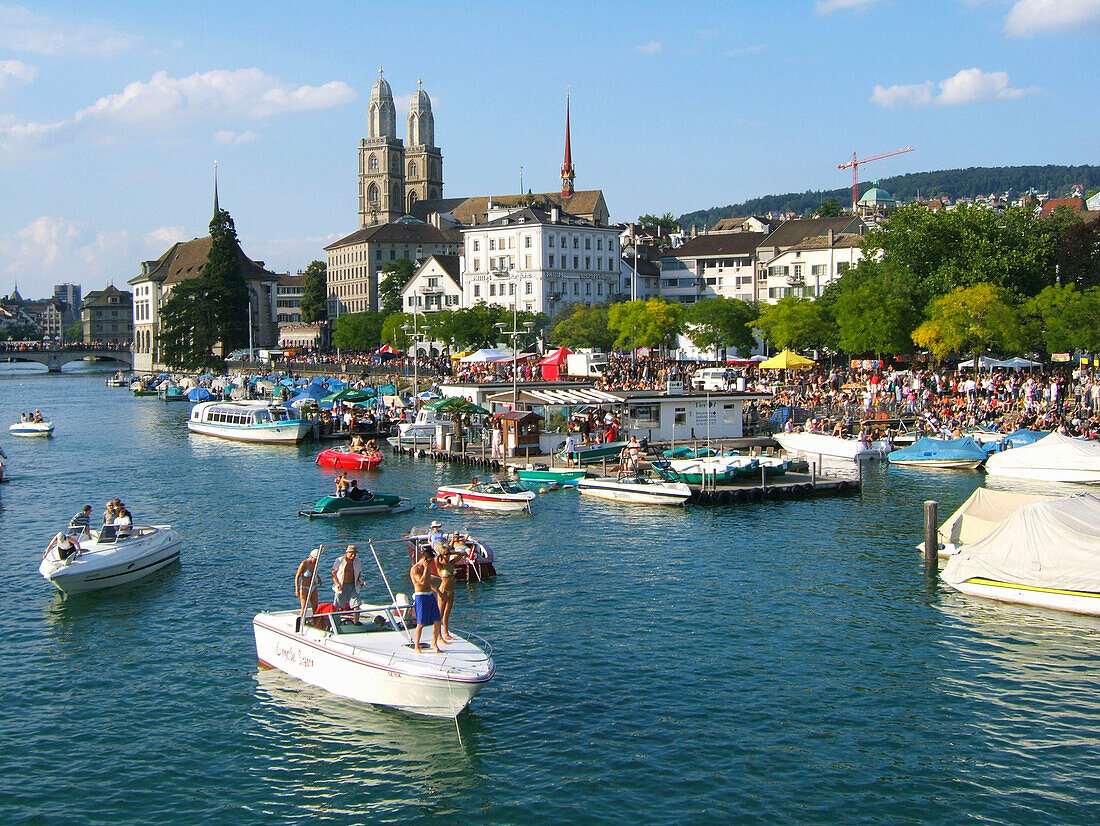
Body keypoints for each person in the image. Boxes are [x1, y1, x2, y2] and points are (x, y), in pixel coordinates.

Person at [410, 547, 443, 653]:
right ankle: (416, 646)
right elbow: (422, 582)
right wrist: (426, 569)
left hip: (429, 595)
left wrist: (438, 592)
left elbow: (429, 582)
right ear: (425, 559)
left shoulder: (427, 567)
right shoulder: (416, 569)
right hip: (421, 596)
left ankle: (434, 643)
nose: (431, 562)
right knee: (421, 623)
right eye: (430, 560)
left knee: (437, 620)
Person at [331, 544, 363, 612]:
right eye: (351, 554)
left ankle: (356, 622)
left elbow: (358, 574)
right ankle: (336, 621)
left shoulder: (358, 561)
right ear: (347, 553)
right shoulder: (339, 560)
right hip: (342, 585)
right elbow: (333, 573)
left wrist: (360, 582)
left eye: (354, 554)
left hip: (353, 585)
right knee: (337, 606)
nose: (353, 556)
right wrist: (337, 584)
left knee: (356, 605)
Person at [295, 548, 321, 613]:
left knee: (315, 607)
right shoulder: (304, 564)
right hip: (304, 587)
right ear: (311, 557)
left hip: (313, 587)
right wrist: (297, 589)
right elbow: (297, 577)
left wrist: (319, 578)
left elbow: (313, 573)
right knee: (304, 608)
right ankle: (301, 621)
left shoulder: (315, 563)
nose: (316, 561)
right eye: (315, 559)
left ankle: (316, 621)